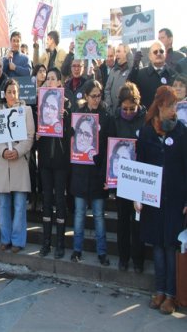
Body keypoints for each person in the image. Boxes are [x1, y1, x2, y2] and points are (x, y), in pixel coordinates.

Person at [136, 86, 187, 315]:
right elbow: (140, 165)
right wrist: (138, 196)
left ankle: (171, 295)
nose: (173, 111)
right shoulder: (146, 132)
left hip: (176, 198)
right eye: (170, 106)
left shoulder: (182, 132)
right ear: (159, 107)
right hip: (152, 197)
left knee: (170, 245)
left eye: (175, 106)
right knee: (157, 244)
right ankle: (159, 290)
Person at [70, 80, 113, 266]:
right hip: (80, 173)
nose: (96, 99)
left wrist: (105, 173)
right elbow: (71, 142)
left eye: (99, 95)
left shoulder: (106, 117)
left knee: (98, 215)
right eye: (93, 96)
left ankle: (102, 252)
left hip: (97, 174)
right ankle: (77, 249)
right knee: (79, 214)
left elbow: (110, 147)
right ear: (86, 96)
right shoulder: (77, 116)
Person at [0, 79, 34, 253]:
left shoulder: (26, 110)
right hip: (3, 164)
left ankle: (17, 241)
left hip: (19, 162)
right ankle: (5, 238)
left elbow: (30, 136)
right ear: (5, 94)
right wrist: (3, 151)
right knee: (3, 205)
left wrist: (17, 151)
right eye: (9, 91)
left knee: (19, 205)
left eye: (15, 92)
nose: (12, 95)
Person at [38, 67, 72, 259]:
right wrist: (36, 135)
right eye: (47, 79)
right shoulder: (41, 103)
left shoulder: (67, 105)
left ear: (60, 82)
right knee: (47, 201)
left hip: (60, 163)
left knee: (59, 201)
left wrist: (64, 119)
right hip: (44, 161)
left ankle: (59, 243)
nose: (49, 81)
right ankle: (46, 242)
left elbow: (71, 138)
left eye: (53, 79)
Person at [128, 41, 176, 109]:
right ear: (150, 56)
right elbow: (129, 87)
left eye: (161, 51)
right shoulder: (141, 74)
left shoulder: (173, 75)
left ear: (165, 54)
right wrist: (135, 67)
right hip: (148, 117)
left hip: (168, 117)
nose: (158, 53)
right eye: (155, 52)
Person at [104, 44, 132, 115]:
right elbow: (107, 89)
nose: (116, 54)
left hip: (127, 112)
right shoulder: (113, 70)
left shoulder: (132, 70)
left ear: (126, 53)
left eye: (119, 51)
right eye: (116, 52)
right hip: (113, 112)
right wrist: (109, 106)